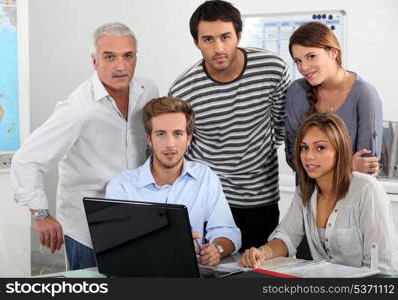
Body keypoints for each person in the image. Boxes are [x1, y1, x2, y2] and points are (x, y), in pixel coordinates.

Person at [11, 22, 158, 270]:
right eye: (109, 57)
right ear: (94, 61)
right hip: (87, 230)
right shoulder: (79, 108)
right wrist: (40, 215)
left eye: (128, 56)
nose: (120, 66)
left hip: (134, 221)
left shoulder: (148, 91)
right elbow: (25, 160)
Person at [169, 0, 290, 251]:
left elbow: (282, 128)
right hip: (209, 202)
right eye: (208, 40)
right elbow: (185, 151)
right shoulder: (183, 90)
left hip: (261, 200)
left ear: (239, 35)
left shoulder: (273, 69)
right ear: (196, 42)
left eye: (225, 37)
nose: (218, 48)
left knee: (256, 277)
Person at [239, 113, 398, 275]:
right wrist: (262, 253)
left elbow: (382, 268)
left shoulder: (367, 189)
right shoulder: (305, 191)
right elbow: (287, 236)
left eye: (320, 147)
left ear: (339, 150)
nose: (309, 156)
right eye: (304, 147)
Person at [106, 96, 241, 266]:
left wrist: (217, 249)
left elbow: (228, 231)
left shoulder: (205, 178)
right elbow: (115, 246)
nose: (170, 144)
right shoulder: (121, 187)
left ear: (189, 138)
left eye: (178, 134)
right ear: (149, 139)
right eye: (161, 134)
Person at [285, 21, 382, 176]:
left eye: (311, 56)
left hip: (350, 197)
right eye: (298, 61)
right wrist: (349, 164)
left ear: (333, 53)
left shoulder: (364, 94)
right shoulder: (296, 92)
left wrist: (318, 165)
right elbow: (294, 157)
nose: (303, 67)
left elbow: (366, 167)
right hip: (308, 196)